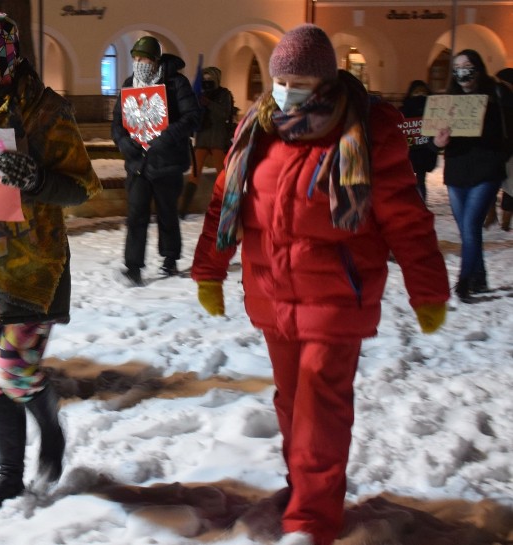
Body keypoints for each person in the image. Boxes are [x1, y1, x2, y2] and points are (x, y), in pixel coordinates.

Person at [191, 25, 449, 545]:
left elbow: (406, 218)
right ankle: (304, 487)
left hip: (337, 293)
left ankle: (312, 519)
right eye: (281, 78)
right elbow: (226, 203)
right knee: (291, 403)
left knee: (320, 407)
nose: (287, 87)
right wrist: (209, 270)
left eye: (301, 79)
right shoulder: (256, 127)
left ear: (327, 80)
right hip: (271, 294)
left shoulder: (368, 129)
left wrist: (428, 288)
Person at [0, 12, 101, 513]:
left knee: (15, 372)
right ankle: (8, 477)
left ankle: (50, 427)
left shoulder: (45, 110)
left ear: (5, 56)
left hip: (32, 266)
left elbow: (81, 188)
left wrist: (35, 180)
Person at [112, 35, 200, 286]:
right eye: (136, 58)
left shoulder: (175, 84)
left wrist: (167, 136)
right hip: (138, 163)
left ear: (156, 60)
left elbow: (192, 117)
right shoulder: (130, 84)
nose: (139, 63)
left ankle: (170, 259)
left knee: (167, 214)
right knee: (136, 215)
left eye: (144, 58)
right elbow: (118, 121)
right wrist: (122, 141)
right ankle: (133, 267)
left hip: (167, 161)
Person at [430, 49, 513, 300]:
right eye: (457, 67)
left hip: (486, 171)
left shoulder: (497, 95)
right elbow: (431, 141)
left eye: (466, 65)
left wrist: (497, 156)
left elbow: (509, 133)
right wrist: (437, 143)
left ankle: (464, 282)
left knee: (469, 225)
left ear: (477, 66)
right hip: (456, 172)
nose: (462, 71)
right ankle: (480, 278)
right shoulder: (448, 100)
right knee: (468, 229)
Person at [180, 66, 235, 218]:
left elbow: (224, 113)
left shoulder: (225, 94)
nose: (207, 82)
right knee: (194, 174)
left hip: (218, 139)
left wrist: (209, 103)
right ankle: (183, 209)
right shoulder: (200, 94)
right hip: (203, 139)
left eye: (210, 79)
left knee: (222, 175)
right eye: (205, 79)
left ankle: (227, 208)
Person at [399, 79, 437, 201]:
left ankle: (420, 201)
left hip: (423, 150)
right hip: (410, 149)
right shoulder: (404, 109)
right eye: (417, 92)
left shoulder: (433, 109)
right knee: (410, 178)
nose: (420, 95)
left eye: (422, 92)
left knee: (420, 179)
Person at [494, 67, 513, 231]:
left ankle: (503, 220)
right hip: (504, 149)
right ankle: (504, 220)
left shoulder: (500, 97)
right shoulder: (502, 97)